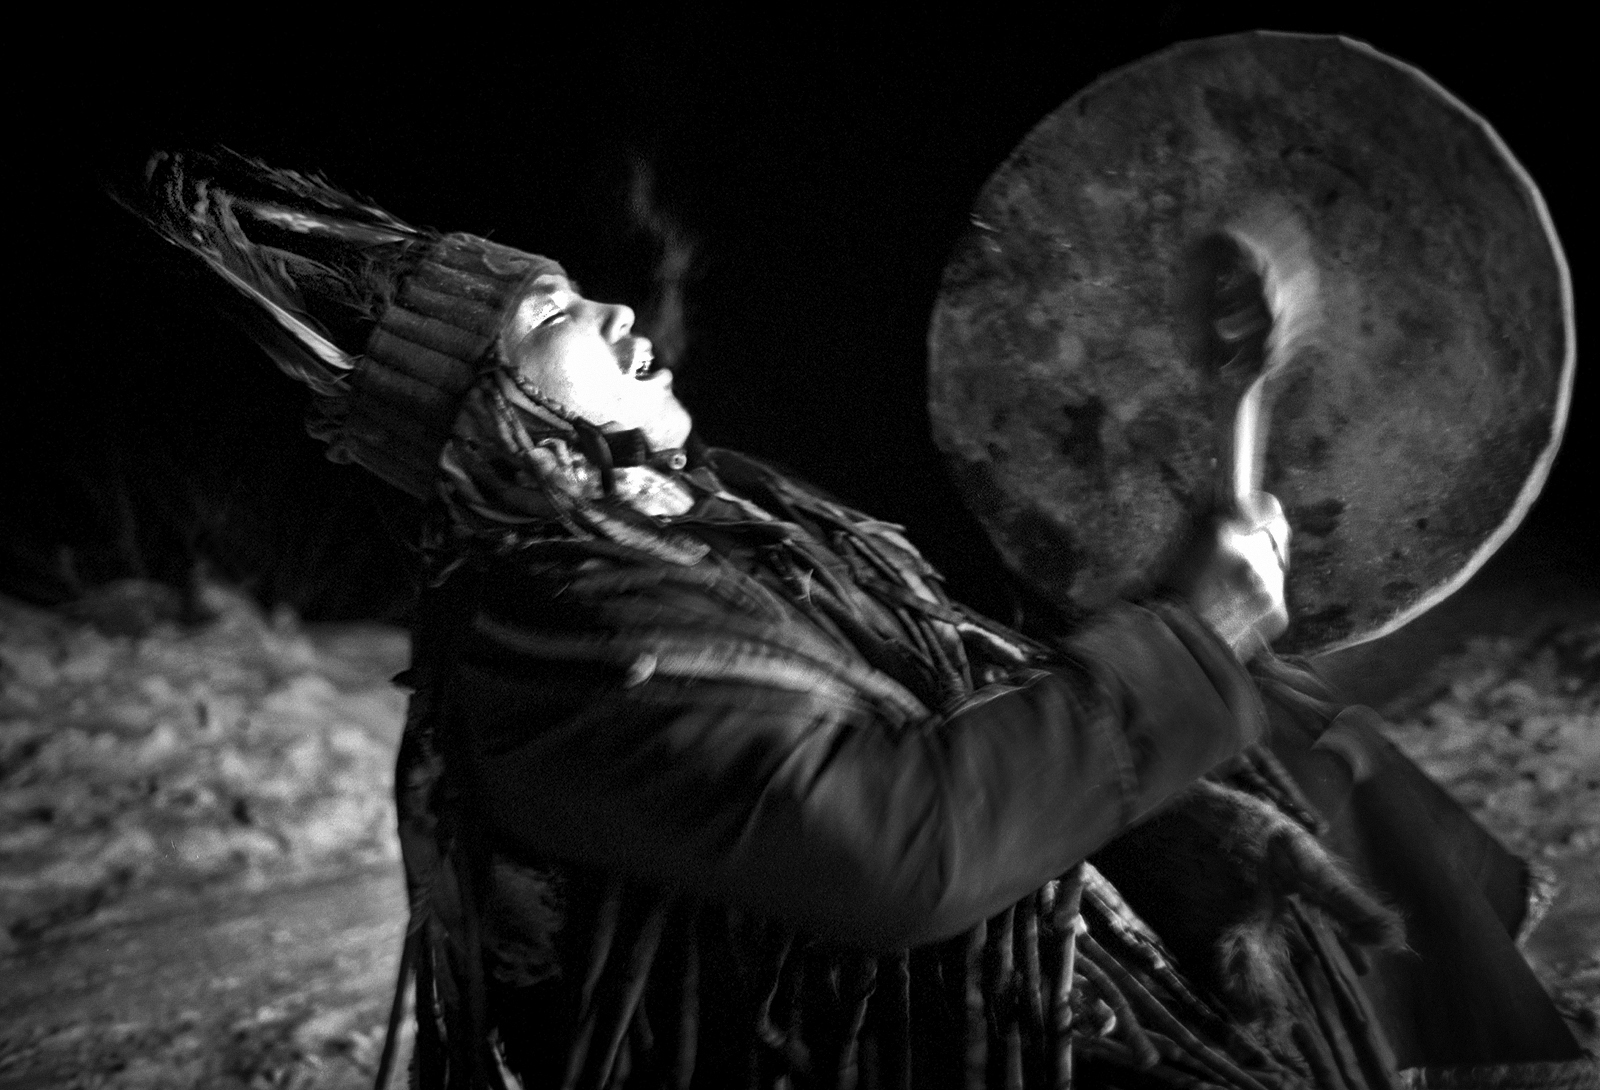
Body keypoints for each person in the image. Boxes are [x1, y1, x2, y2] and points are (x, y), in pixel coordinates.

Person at [132, 151, 1592, 1090]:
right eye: (548, 315)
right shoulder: (557, 633)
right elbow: (891, 847)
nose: (616, 315)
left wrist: (1168, 740)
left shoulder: (698, 547)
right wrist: (1186, 650)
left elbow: (947, 699)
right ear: (496, 413)